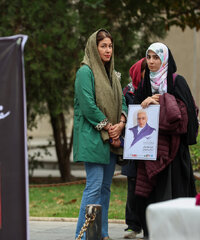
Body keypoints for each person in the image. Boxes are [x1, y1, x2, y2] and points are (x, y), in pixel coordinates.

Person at [133, 42, 198, 239]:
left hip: (175, 153)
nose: (151, 61)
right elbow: (137, 114)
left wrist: (161, 100)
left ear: (165, 59)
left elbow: (186, 116)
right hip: (151, 151)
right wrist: (142, 106)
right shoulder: (145, 83)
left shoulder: (178, 82)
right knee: (154, 193)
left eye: (156, 57)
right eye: (149, 57)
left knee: (175, 193)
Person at [73, 29, 127, 240]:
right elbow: (87, 106)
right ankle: (82, 235)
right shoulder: (85, 72)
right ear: (94, 48)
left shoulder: (113, 74)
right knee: (94, 188)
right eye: (103, 46)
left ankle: (102, 234)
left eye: (110, 46)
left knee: (105, 189)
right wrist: (108, 126)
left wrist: (120, 124)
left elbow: (122, 101)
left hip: (111, 139)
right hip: (93, 137)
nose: (108, 50)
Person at [121, 58, 146, 239]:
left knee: (149, 187)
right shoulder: (128, 92)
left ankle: (148, 224)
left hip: (151, 146)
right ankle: (132, 225)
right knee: (133, 185)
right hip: (134, 146)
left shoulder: (157, 89)